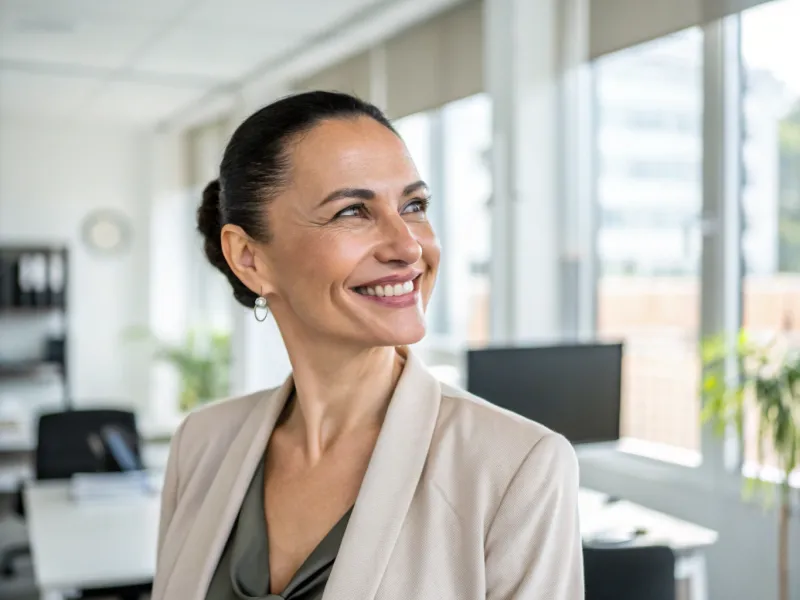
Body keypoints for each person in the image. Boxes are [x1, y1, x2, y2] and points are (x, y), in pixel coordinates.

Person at [151, 91, 583, 600]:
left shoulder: (515, 466)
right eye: (352, 211)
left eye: (414, 206)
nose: (407, 246)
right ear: (249, 258)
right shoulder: (202, 443)